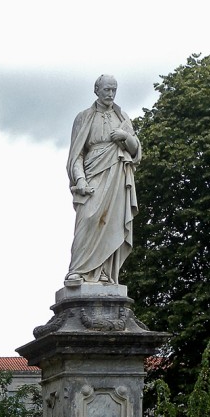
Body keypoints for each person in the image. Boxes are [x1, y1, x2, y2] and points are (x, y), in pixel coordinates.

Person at [65, 74, 140, 286]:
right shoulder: (83, 117)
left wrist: (125, 137)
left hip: (117, 176)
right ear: (97, 90)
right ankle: (78, 270)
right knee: (88, 219)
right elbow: (76, 155)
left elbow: (135, 151)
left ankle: (104, 272)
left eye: (114, 90)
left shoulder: (122, 117)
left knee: (112, 224)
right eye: (107, 89)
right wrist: (80, 179)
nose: (111, 94)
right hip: (92, 175)